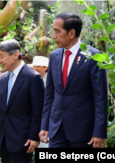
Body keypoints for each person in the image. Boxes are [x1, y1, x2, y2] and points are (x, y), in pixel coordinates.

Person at [39, 12, 108, 148]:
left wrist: (99, 132)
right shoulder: (54, 56)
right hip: (57, 129)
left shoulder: (93, 56)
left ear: (71, 33)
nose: (53, 36)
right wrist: (44, 125)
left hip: (82, 131)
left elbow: (100, 98)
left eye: (57, 31)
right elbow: (49, 94)